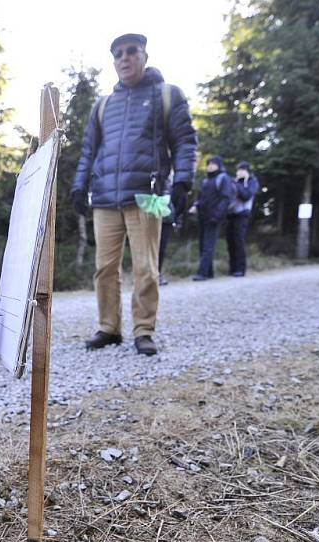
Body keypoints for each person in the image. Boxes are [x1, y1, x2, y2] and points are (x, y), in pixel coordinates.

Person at [71, 33, 197, 356]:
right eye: (118, 54)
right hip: (104, 198)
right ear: (113, 62)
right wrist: (78, 184)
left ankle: (144, 330)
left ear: (144, 56)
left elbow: (184, 141)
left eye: (131, 51)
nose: (124, 58)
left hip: (147, 195)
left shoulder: (168, 95)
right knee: (105, 268)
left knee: (146, 266)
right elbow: (89, 150)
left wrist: (183, 182)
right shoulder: (103, 105)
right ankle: (109, 328)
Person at [190, 156, 235, 281]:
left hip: (214, 217)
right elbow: (201, 198)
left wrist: (217, 215)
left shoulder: (223, 178)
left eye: (213, 164)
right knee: (203, 245)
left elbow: (226, 198)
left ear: (219, 165)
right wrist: (195, 206)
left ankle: (202, 273)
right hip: (203, 217)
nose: (210, 166)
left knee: (208, 246)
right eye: (208, 164)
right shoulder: (206, 181)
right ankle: (209, 272)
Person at [226, 161, 259, 277]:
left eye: (242, 170)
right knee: (230, 242)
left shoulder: (252, 182)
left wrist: (237, 185)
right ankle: (232, 268)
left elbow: (246, 195)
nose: (239, 172)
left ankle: (240, 268)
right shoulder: (234, 182)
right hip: (230, 214)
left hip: (243, 214)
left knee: (238, 240)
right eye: (238, 170)